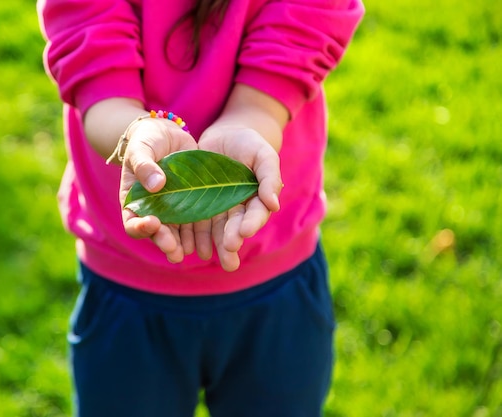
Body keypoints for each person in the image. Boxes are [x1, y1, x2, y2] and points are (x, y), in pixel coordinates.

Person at [37, 0, 364, 415]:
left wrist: (246, 124)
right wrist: (135, 133)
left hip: (275, 286)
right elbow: (97, 74)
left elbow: (291, 50)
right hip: (127, 288)